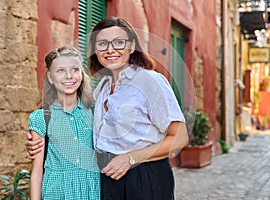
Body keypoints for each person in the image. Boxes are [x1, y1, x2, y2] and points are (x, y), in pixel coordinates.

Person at [27, 17, 188, 200]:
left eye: (118, 42)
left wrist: (131, 158)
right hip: (106, 179)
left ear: (131, 45)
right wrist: (39, 140)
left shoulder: (149, 81)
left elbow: (180, 137)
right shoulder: (102, 87)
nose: (110, 49)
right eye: (102, 43)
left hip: (144, 175)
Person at [28, 46, 100, 200]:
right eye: (60, 70)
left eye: (74, 69)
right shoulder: (42, 118)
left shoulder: (96, 112)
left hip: (92, 191)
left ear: (81, 74)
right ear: (50, 77)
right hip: (56, 192)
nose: (69, 76)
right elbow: (37, 172)